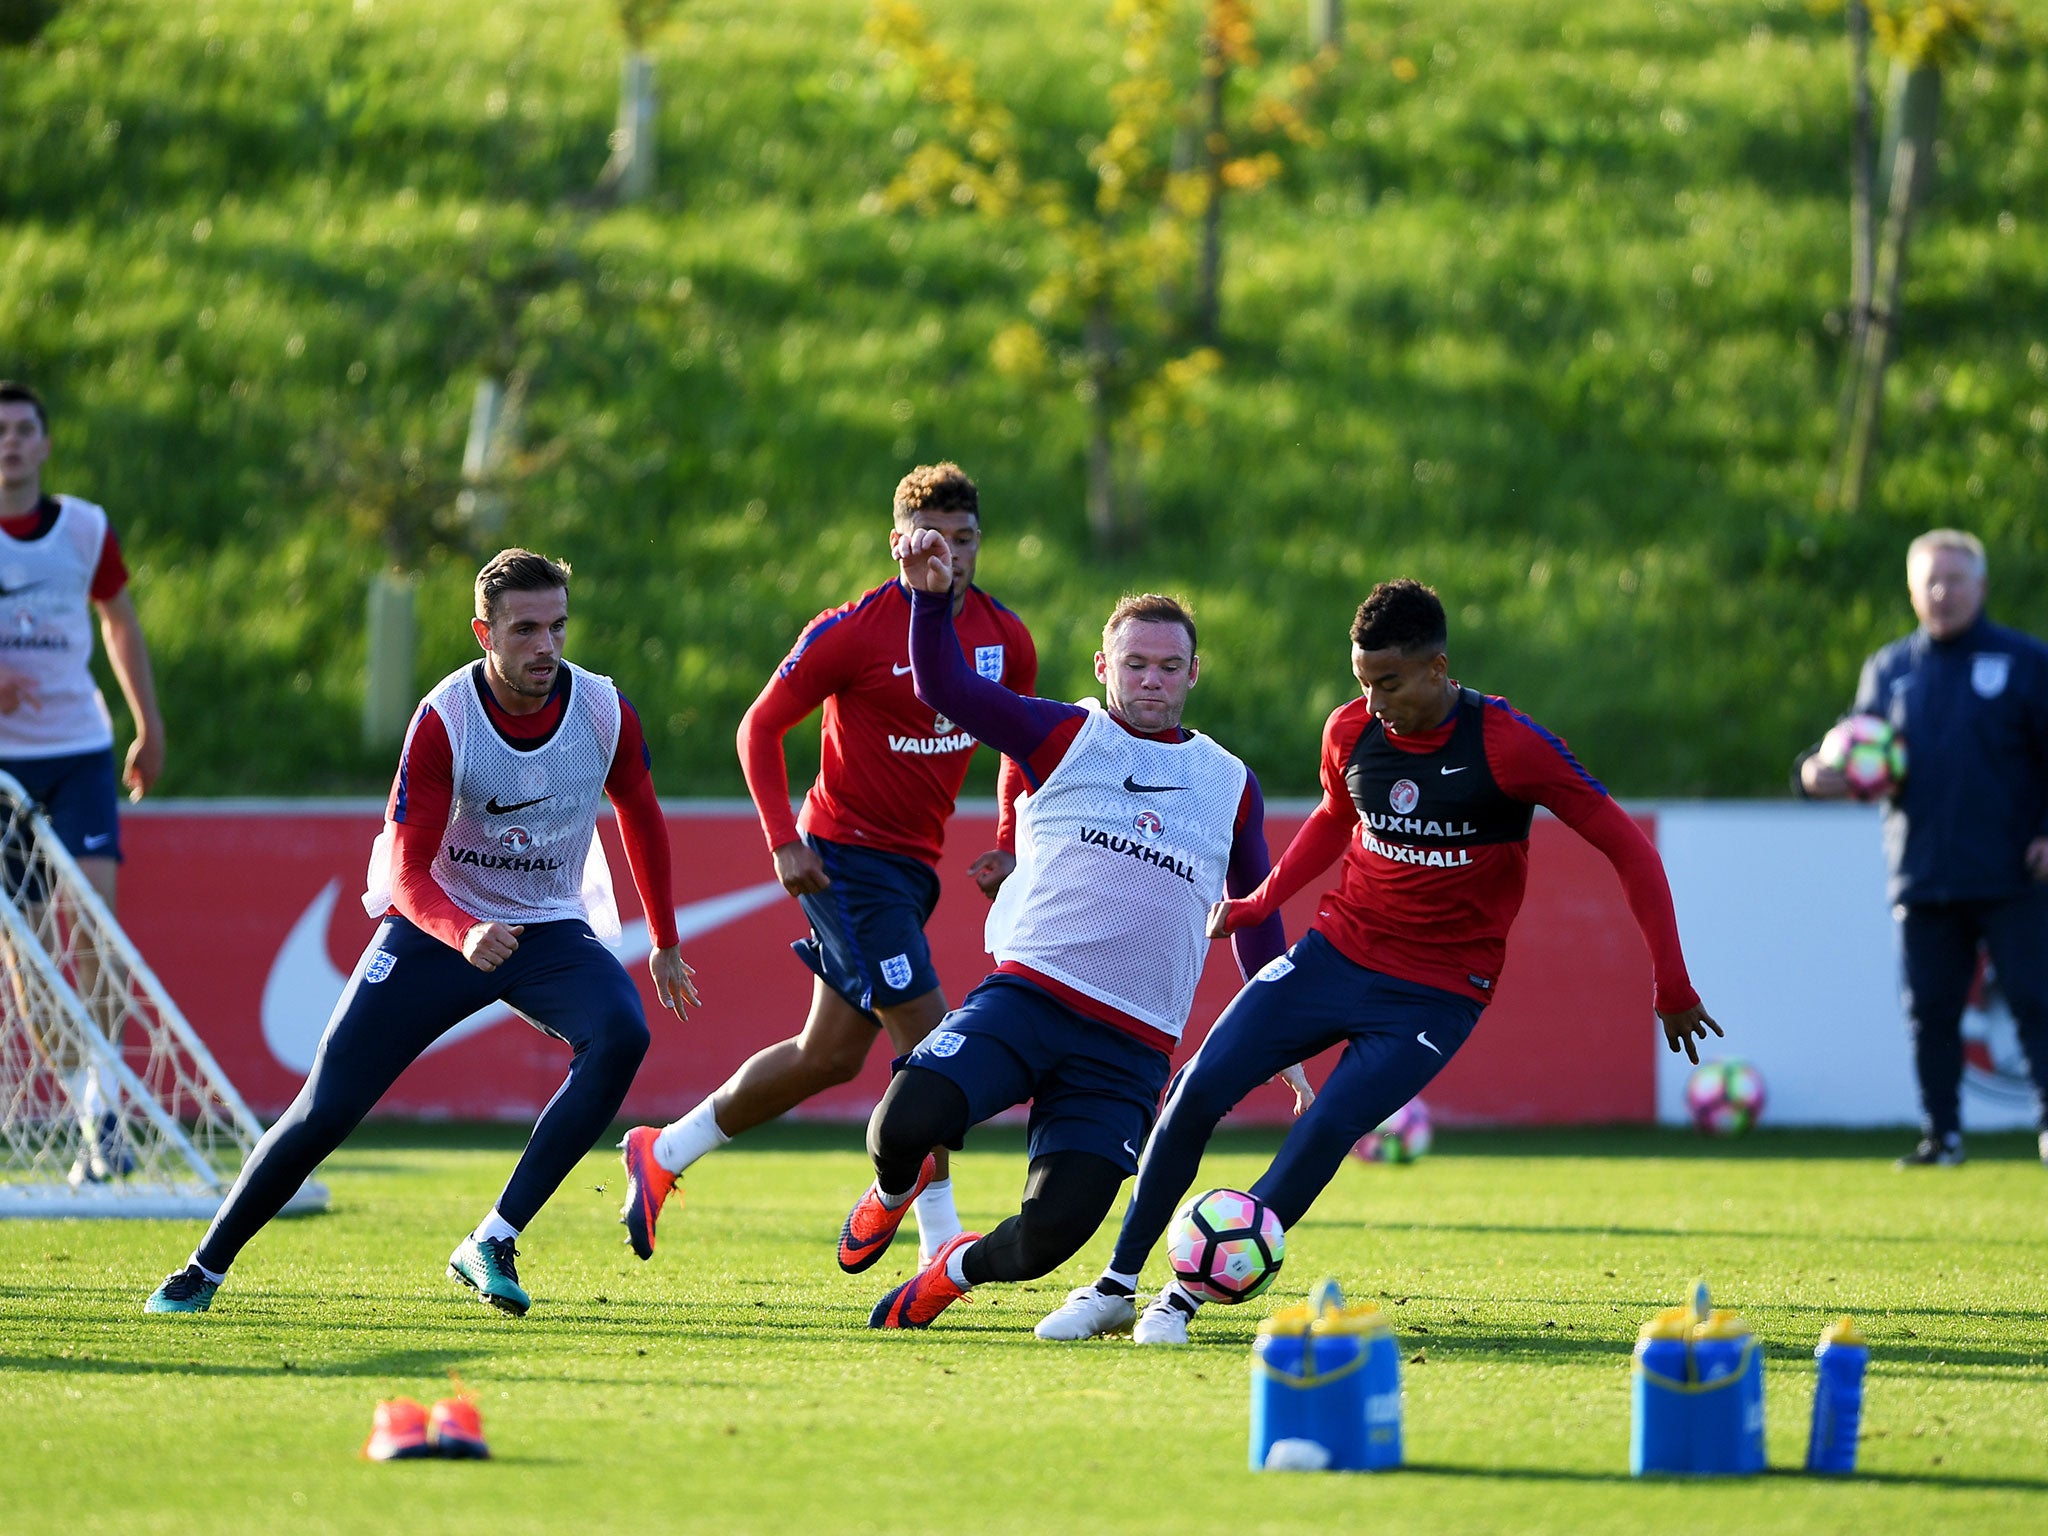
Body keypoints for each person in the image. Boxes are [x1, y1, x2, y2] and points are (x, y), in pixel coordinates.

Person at [1037, 579, 1720, 1345]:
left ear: (1438, 667)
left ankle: (1182, 1300)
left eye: (1389, 683)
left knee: (1327, 1124)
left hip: (1436, 994)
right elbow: (1336, 817)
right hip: (1335, 955)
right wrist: (1262, 901)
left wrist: (1673, 980)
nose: (1374, 701)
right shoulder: (1351, 730)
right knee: (1195, 1089)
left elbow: (1628, 847)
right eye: (1362, 682)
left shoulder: (1509, 747)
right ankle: (1115, 1286)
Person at [144, 549, 698, 1315]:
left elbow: (640, 808)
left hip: (545, 926)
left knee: (621, 1032)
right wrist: (464, 931)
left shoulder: (602, 710)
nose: (547, 646)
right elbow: (405, 873)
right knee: (326, 1108)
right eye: (526, 629)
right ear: (484, 633)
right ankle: (203, 1268)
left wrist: (664, 938)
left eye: (558, 626)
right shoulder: (446, 719)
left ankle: (493, 1239)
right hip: (437, 926)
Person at [844, 525, 1300, 1331]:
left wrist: (1285, 1039)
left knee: (1050, 1237)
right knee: (903, 1122)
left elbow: (1256, 909)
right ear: (1103, 666)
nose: (1151, 680)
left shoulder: (1230, 782)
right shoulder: (1063, 735)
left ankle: (954, 1268)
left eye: (1168, 666)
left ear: (1194, 672)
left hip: (1129, 1046)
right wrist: (927, 597)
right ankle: (890, 1191)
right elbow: (946, 686)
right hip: (1030, 1001)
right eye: (1135, 663)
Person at [616, 464, 1036, 1267]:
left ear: (980, 543)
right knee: (935, 1040)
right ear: (898, 544)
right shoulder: (851, 630)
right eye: (931, 538)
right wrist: (782, 838)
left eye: (965, 539)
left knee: (830, 1056)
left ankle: (663, 1152)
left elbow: (1018, 741)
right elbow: (758, 728)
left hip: (913, 867)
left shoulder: (1003, 638)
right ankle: (937, 1238)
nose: (949, 554)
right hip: (845, 857)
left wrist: (1010, 837)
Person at [1796, 529, 2048, 1168]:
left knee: (2035, 1000)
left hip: (2014, 871)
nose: (1943, 592)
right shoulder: (1890, 670)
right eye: (1930, 582)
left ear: (1981, 587)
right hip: (1923, 872)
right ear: (1912, 592)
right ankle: (1942, 1136)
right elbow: (1855, 752)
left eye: (1955, 579)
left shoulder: (2024, 662)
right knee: (1930, 1013)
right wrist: (1814, 774)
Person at [0, 380, 167, 1184]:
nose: (10, 443)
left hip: (77, 752)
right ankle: (85, 1108)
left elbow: (119, 619)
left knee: (95, 924)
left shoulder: (84, 529)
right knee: (25, 950)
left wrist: (149, 722)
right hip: (1, 772)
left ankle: (109, 1100)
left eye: (24, 430)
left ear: (45, 444)